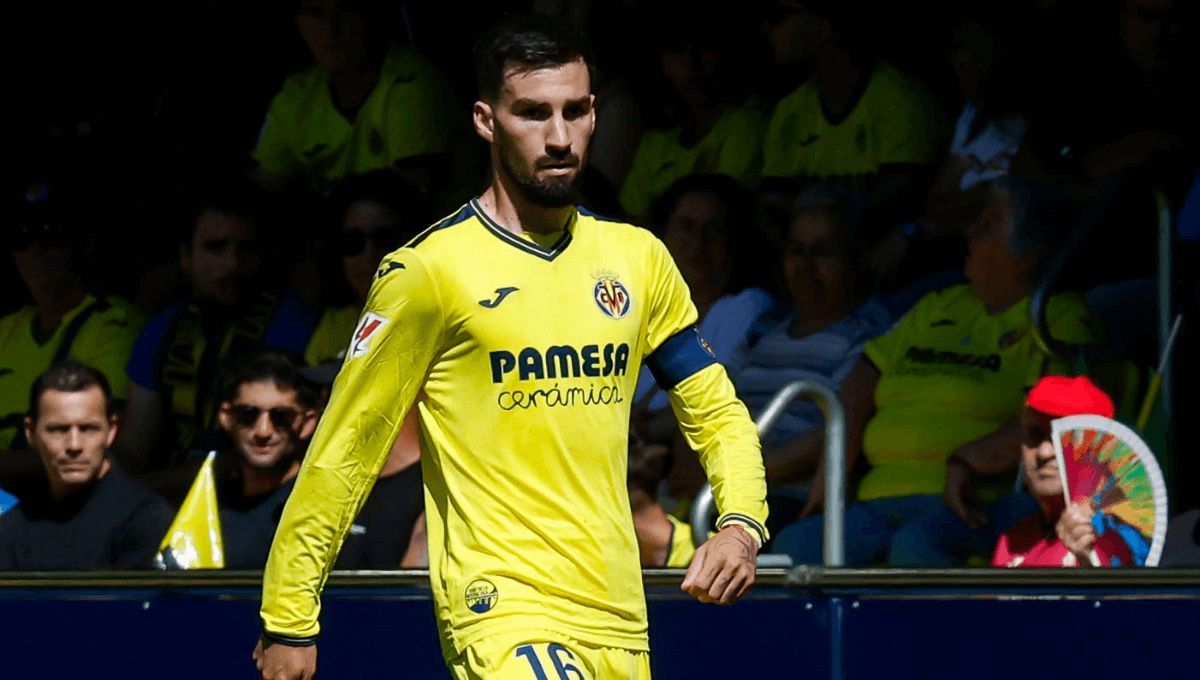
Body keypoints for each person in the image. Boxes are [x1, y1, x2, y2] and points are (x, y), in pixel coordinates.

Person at [255, 14, 768, 680]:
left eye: (574, 112)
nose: (559, 137)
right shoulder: (428, 273)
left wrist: (741, 524)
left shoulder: (637, 260)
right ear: (485, 120)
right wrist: (289, 615)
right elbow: (345, 447)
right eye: (532, 113)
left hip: (617, 612)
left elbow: (715, 408)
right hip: (502, 611)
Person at [771, 177, 1101, 566]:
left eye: (989, 224)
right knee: (795, 547)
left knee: (915, 546)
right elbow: (863, 377)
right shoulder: (935, 306)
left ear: (1027, 255)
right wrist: (834, 465)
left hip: (974, 505)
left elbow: (1051, 423)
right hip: (878, 501)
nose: (971, 231)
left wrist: (969, 458)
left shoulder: (1055, 318)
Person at [115, 180, 316, 493]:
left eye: (245, 249)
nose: (231, 264)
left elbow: (251, 456)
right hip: (161, 499)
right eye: (215, 247)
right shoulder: (164, 328)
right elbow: (134, 446)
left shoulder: (292, 324)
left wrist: (140, 489)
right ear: (186, 256)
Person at [250, 0, 452, 196]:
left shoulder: (411, 80)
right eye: (316, 12)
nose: (331, 30)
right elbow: (263, 188)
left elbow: (411, 197)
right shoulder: (297, 93)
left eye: (346, 10)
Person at [1, 179, 143, 453]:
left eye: (52, 234)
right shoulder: (7, 328)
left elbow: (97, 450)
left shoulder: (113, 324)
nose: (36, 249)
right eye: (22, 236)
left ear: (84, 244)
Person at [0, 361, 170, 570]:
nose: (74, 445)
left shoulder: (145, 518)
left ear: (112, 430)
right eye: (58, 429)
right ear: (30, 432)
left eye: (88, 429)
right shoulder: (13, 517)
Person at [992, 375, 1137, 568]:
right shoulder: (1011, 542)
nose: (1044, 452)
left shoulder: (1123, 538)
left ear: (1100, 451)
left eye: (1063, 437)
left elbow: (1122, 596)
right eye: (1034, 434)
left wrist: (1090, 563)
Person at [213, 351, 318, 569]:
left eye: (281, 417)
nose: (263, 430)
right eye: (247, 414)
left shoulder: (317, 508)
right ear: (226, 416)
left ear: (307, 423)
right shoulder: (209, 501)